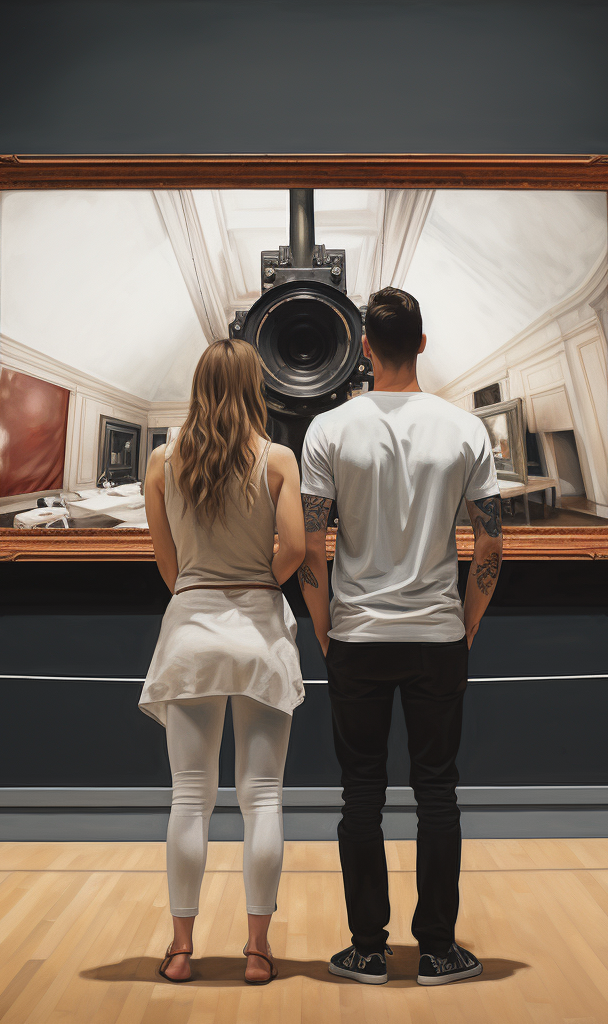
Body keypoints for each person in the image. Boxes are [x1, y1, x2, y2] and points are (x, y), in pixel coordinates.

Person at [297, 287, 503, 987]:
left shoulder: (327, 429)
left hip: (356, 636)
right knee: (437, 792)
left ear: (362, 348)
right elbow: (492, 545)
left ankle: (368, 950)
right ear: (421, 342)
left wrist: (326, 632)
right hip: (438, 636)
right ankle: (440, 951)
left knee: (361, 795)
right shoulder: (466, 430)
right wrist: (468, 619)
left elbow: (311, 547)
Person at [140, 339, 306, 985]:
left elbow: (166, 561)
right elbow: (293, 546)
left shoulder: (162, 459)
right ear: (253, 385)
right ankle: (258, 951)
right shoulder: (277, 458)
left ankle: (181, 950)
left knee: (189, 797)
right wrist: (258, 584)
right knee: (262, 798)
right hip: (259, 635)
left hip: (190, 633)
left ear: (199, 383)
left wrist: (201, 593)